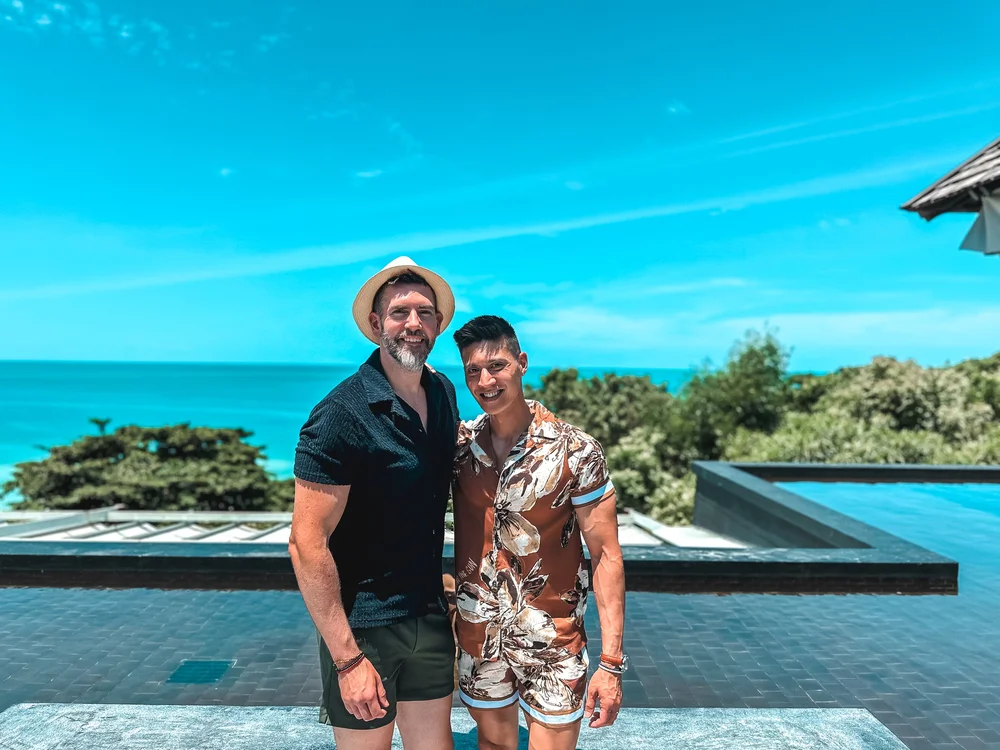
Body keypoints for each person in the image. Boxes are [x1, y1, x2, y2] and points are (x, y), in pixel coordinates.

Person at [289, 256, 460, 750]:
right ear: (374, 324)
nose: (413, 324)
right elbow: (306, 543)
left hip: (428, 614)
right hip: (364, 630)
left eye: (425, 313)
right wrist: (346, 660)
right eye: (399, 312)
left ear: (438, 324)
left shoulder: (443, 392)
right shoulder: (340, 414)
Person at [451, 315, 627, 750]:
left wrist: (611, 663)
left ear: (522, 363)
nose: (485, 380)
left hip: (552, 640)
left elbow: (606, 556)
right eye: (472, 370)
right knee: (492, 745)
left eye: (497, 366)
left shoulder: (576, 450)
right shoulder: (459, 447)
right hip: (480, 636)